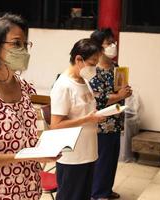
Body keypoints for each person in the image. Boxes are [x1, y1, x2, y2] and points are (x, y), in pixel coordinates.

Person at [0, 14, 57, 200]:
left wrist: (46, 149)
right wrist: (23, 157)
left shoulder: (24, 87)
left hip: (28, 187)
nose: (23, 50)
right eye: (16, 44)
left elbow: (33, 132)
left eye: (25, 44)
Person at [50, 38, 105, 200]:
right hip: (72, 156)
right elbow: (56, 125)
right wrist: (88, 119)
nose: (95, 67)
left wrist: (96, 116)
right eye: (93, 63)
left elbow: (86, 111)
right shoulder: (63, 86)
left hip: (88, 151)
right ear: (78, 59)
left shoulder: (84, 81)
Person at [89, 28, 132, 200]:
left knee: (112, 158)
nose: (113, 46)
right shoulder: (93, 70)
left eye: (113, 42)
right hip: (101, 123)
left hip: (116, 120)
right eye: (108, 43)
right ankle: (98, 193)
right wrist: (119, 96)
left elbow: (120, 90)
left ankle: (106, 189)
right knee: (102, 159)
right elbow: (96, 99)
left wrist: (126, 92)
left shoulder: (117, 68)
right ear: (99, 48)